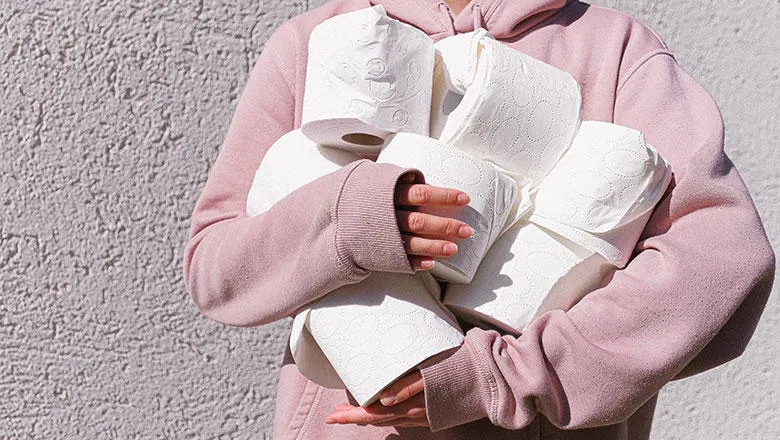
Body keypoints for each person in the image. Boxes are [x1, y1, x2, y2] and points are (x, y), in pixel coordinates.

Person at [183, 0, 775, 438]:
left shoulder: (614, 50)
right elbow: (216, 268)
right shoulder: (319, 43)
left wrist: (508, 376)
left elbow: (718, 257)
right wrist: (352, 221)